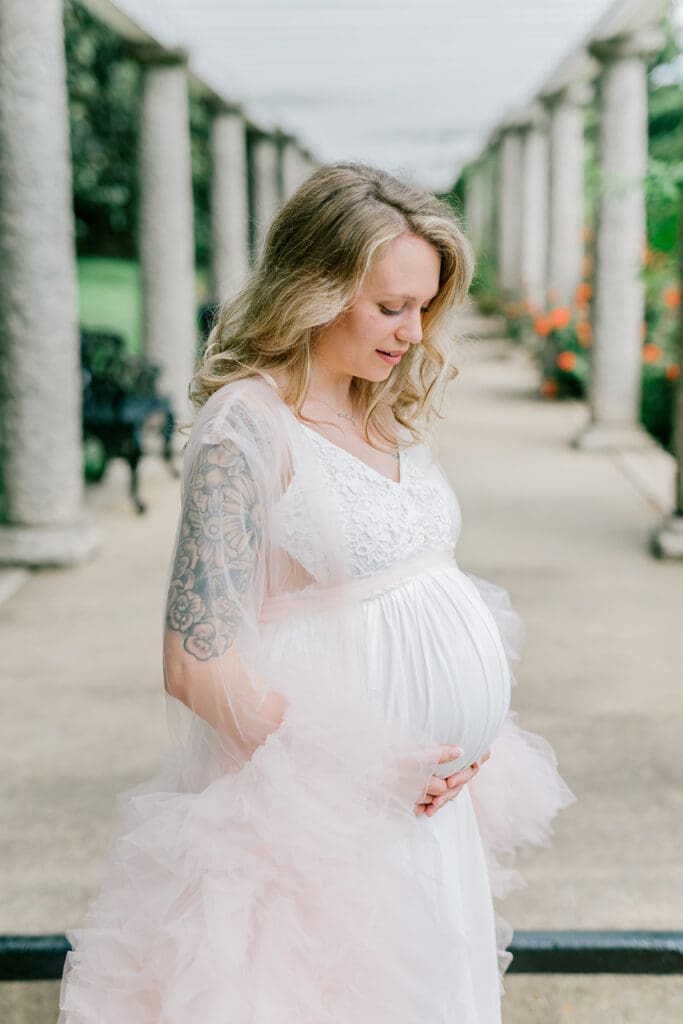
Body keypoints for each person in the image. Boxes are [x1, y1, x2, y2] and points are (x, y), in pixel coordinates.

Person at [59, 162, 575, 1023]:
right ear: (314, 287)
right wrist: (366, 766)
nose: (413, 332)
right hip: (326, 811)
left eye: (423, 306)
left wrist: (462, 732)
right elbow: (195, 662)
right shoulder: (246, 426)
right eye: (389, 306)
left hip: (427, 806)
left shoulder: (380, 406)